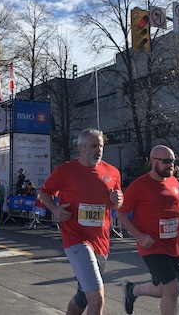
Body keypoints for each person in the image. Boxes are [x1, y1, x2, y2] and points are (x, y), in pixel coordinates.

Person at [39, 128, 123, 315]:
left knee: (83, 297)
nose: (98, 150)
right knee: (97, 297)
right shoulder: (65, 171)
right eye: (94, 146)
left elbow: (117, 201)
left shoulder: (112, 172)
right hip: (76, 239)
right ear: (80, 147)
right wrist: (55, 209)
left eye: (100, 146)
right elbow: (44, 192)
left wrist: (118, 200)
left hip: (101, 242)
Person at [118, 145, 179, 315]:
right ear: (153, 161)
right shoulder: (139, 185)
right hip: (151, 246)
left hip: (172, 245)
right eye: (166, 161)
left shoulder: (173, 181)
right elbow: (121, 214)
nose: (170, 165)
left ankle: (131, 290)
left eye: (172, 161)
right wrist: (140, 236)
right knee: (171, 288)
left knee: (161, 289)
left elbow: (178, 206)